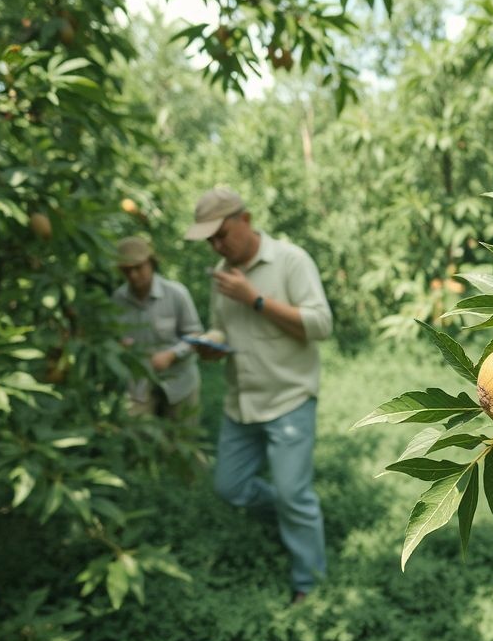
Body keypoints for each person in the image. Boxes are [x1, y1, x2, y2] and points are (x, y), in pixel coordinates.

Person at [184, 187, 333, 604]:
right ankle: (296, 515)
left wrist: (256, 300)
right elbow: (221, 328)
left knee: (292, 494)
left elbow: (321, 325)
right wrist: (208, 344)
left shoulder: (290, 260)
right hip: (241, 402)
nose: (217, 245)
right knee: (229, 487)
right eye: (210, 240)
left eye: (222, 234)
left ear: (245, 220)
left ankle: (309, 582)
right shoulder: (221, 274)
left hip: (289, 400)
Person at [111, 235, 204, 422]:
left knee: (181, 440)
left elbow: (195, 335)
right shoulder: (118, 299)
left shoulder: (176, 294)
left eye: (138, 268)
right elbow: (115, 335)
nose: (133, 275)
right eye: (127, 270)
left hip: (180, 383)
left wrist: (171, 355)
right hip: (140, 386)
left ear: (151, 263)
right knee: (139, 439)